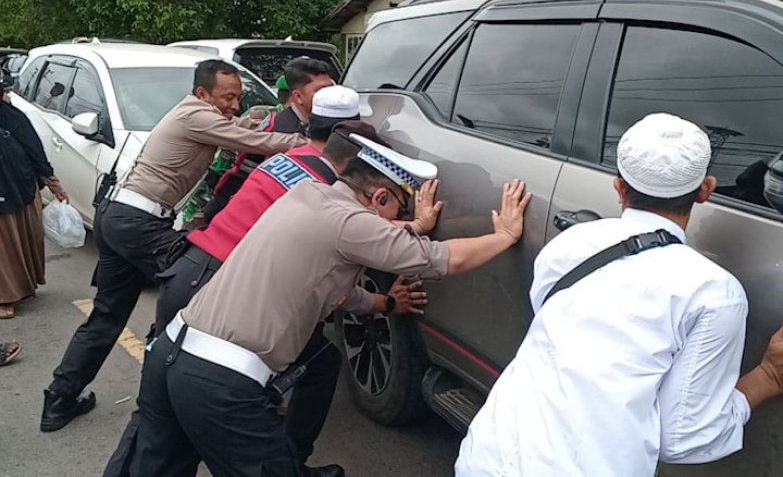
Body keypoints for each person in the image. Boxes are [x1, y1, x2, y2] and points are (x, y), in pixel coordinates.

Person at [454, 113, 783, 477]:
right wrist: (769, 377)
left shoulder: (569, 244)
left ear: (618, 188)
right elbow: (684, 440)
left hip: (483, 455)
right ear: (706, 189)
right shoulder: (712, 293)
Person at [128, 137, 531, 477]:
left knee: (156, 467)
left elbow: (335, 290)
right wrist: (504, 236)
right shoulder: (350, 224)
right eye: (398, 209)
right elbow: (443, 259)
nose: (400, 218)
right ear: (380, 196)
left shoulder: (308, 195)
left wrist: (386, 301)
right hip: (220, 384)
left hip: (172, 353)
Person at [103, 91, 394, 477]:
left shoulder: (291, 159)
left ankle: (286, 462)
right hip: (219, 286)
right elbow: (323, 284)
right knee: (173, 427)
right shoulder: (323, 189)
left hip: (193, 270)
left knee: (162, 419)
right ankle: (282, 463)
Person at [40, 59, 308, 433]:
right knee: (191, 284)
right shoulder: (194, 114)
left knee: (109, 314)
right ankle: (162, 396)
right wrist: (311, 143)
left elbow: (235, 127)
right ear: (202, 94)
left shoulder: (199, 114)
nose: (235, 105)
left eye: (238, 97)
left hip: (121, 217)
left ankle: (59, 398)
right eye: (227, 98)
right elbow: (253, 141)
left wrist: (246, 120)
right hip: (138, 222)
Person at [201, 57, 336, 224]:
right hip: (239, 214)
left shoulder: (316, 123)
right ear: (298, 97)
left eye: (332, 88)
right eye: (321, 90)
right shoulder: (283, 129)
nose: (332, 96)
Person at [0, 80, 68, 319]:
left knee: (14, 243)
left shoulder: (13, 118)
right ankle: (7, 295)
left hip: (17, 188)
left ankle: (14, 292)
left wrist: (54, 184)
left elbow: (34, 151)